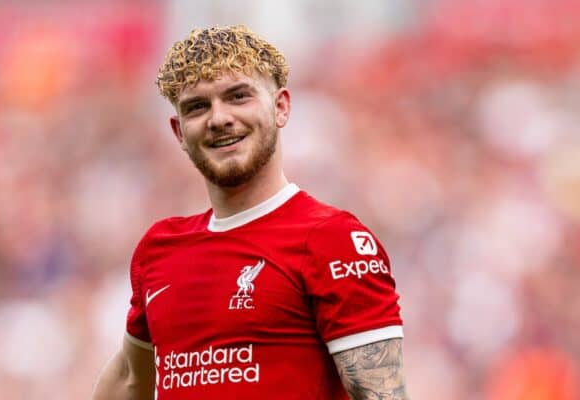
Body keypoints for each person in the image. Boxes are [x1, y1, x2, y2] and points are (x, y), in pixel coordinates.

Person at [92, 25, 409, 400]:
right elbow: (131, 378)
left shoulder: (332, 239)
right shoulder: (159, 248)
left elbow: (382, 393)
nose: (219, 118)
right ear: (178, 132)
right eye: (198, 106)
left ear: (280, 107)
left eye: (238, 96)